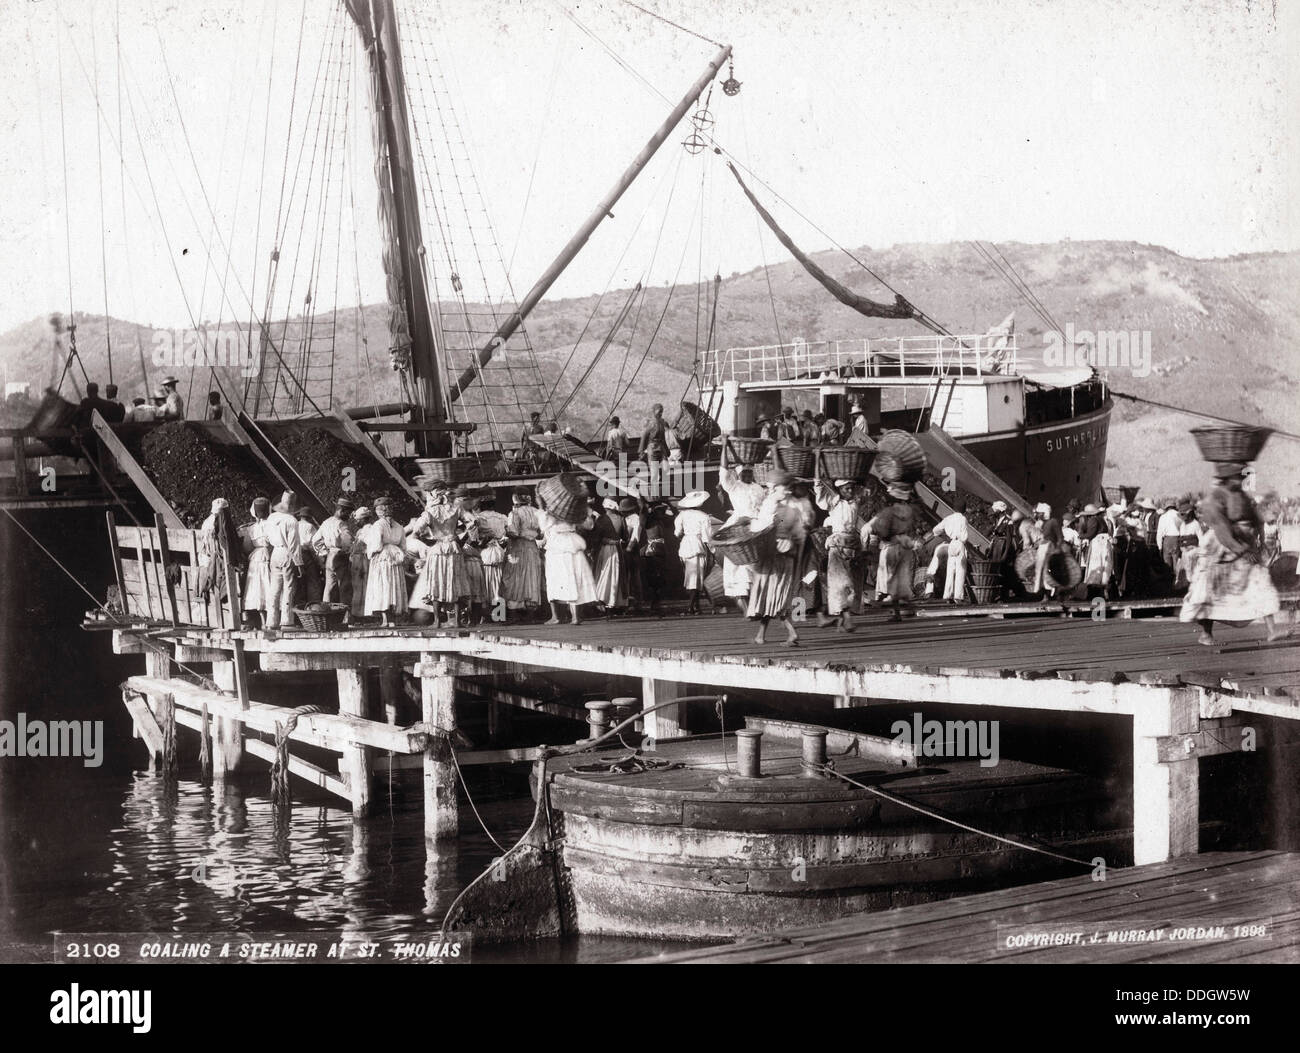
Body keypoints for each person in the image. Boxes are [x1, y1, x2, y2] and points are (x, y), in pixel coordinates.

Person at [1181, 462, 1285, 645]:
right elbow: (1222, 530)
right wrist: (1241, 549)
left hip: (1244, 544)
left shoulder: (1242, 496)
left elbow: (1254, 518)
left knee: (1259, 580)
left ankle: (1272, 630)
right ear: (1228, 478)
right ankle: (1206, 634)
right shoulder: (1215, 499)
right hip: (1221, 547)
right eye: (1239, 476)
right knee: (1209, 590)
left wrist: (1258, 536)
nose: (1242, 479)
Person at [747, 471, 807, 645]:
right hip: (786, 557)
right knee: (771, 595)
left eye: (775, 487)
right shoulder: (793, 507)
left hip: (774, 556)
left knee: (773, 596)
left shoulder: (774, 505)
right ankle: (760, 635)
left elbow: (765, 527)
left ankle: (791, 632)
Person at [407, 485, 468, 628]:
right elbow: (472, 522)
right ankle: (457, 620)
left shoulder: (429, 512)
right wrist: (460, 538)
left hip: (437, 549)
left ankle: (437, 621)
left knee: (436, 582)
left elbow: (416, 531)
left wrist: (429, 536)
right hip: (454, 547)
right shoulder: (456, 509)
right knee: (455, 581)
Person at [814, 476, 867, 631]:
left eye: (851, 488)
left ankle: (841, 621)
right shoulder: (834, 502)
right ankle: (847, 619)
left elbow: (865, 487)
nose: (850, 491)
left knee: (852, 584)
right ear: (839, 490)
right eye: (846, 489)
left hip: (853, 545)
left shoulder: (855, 502)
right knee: (842, 583)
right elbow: (819, 487)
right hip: (837, 546)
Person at [537, 493, 598, 625]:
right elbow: (589, 525)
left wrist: (542, 507)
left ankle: (557, 616)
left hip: (557, 545)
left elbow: (543, 526)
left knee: (555, 579)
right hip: (571, 543)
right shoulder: (573, 510)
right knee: (573, 578)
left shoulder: (551, 512)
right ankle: (574, 616)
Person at [718, 451, 766, 614]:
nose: (747, 475)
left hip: (756, 527)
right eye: (744, 472)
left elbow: (764, 508)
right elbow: (724, 470)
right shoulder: (734, 486)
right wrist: (725, 446)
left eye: (749, 472)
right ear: (738, 474)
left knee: (755, 566)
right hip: (738, 527)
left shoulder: (758, 488)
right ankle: (746, 608)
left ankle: (757, 606)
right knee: (736, 566)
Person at [868, 481, 922, 620]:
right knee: (901, 580)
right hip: (905, 546)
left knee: (892, 580)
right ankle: (902, 608)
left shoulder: (889, 512)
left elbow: (883, 532)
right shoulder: (909, 510)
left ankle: (898, 609)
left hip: (892, 547)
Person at [363, 497, 408, 625]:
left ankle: (386, 619)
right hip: (395, 557)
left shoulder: (378, 525)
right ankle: (393, 619)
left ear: (380, 511)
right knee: (395, 586)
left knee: (382, 586)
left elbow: (376, 545)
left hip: (382, 558)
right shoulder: (399, 526)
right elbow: (403, 546)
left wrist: (370, 551)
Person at [263, 490, 304, 629]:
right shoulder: (292, 521)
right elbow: (294, 545)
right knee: (288, 587)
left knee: (274, 588)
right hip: (287, 553)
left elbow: (267, 538)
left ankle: (271, 621)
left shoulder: (271, 518)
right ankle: (286, 620)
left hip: (275, 552)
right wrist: (298, 563)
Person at [504, 487, 544, 618]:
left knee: (514, 578)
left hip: (518, 548)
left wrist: (505, 531)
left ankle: (514, 615)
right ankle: (531, 615)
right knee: (531, 579)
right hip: (533, 548)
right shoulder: (537, 512)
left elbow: (513, 532)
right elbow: (541, 533)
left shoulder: (515, 513)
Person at [675, 490, 715, 615]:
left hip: (685, 545)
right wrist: (712, 552)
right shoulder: (704, 516)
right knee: (696, 577)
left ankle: (696, 606)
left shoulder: (681, 515)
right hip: (697, 545)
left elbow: (677, 533)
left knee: (691, 576)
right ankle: (691, 606)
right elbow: (707, 537)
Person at [925, 495, 970, 603]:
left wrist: (944, 534)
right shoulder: (963, 519)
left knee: (950, 570)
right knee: (960, 570)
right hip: (959, 543)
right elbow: (965, 536)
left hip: (951, 544)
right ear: (963, 509)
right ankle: (958, 597)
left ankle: (947, 595)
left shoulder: (948, 519)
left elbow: (935, 530)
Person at [314, 497, 356, 610]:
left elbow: (315, 540)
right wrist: (350, 550)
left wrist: (323, 553)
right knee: (344, 586)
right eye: (348, 512)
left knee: (329, 587)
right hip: (340, 555)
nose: (349, 515)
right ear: (342, 510)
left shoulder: (326, 522)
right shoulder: (342, 524)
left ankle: (325, 613)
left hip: (330, 556)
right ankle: (346, 616)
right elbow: (348, 541)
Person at [592, 498, 629, 615]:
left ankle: (602, 600)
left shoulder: (600, 520)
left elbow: (596, 538)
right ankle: (614, 602)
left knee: (603, 574)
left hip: (604, 550)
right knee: (615, 574)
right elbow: (626, 536)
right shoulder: (621, 519)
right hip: (617, 550)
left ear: (605, 507)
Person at [239, 497, 272, 628]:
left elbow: (247, 547)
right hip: (268, 555)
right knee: (268, 585)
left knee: (257, 588)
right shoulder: (271, 525)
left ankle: (262, 619)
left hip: (256, 557)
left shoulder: (251, 529)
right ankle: (269, 620)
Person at [1077, 503, 1113, 599]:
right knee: (1105, 566)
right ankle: (1104, 589)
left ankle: (1094, 591)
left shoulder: (1093, 520)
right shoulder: (1101, 519)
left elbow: (1090, 534)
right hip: (1105, 543)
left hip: (1098, 544)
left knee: (1096, 565)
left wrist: (1081, 535)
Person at [348, 506, 373, 619]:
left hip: (363, 559)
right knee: (357, 586)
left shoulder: (369, 529)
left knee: (363, 586)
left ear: (364, 519)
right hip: (357, 560)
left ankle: (363, 613)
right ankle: (358, 611)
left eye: (358, 520)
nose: (356, 522)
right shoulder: (360, 531)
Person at [297, 507, 323, 605]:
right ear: (309, 517)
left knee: (299, 580)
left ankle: (299, 604)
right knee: (313, 579)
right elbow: (313, 544)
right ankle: (313, 603)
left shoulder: (296, 525)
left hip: (295, 553)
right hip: (306, 553)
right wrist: (318, 560)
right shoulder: (310, 527)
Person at [1156, 498, 1182, 573]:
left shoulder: (1163, 517)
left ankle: (1168, 581)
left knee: (1167, 563)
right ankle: (1176, 580)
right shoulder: (1179, 515)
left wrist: (1159, 546)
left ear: (1167, 507)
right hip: (1177, 539)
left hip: (1167, 540)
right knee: (1177, 561)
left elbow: (1159, 533)